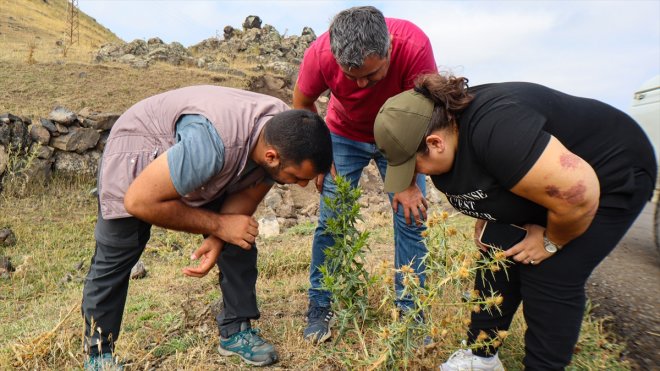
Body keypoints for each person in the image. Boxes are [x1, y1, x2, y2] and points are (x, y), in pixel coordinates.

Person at [373, 73, 656, 370]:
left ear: (435, 142)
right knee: (496, 251)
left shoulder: (498, 130)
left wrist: (551, 240)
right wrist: (489, 215)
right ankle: (481, 356)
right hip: (548, 180)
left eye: (413, 165)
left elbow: (578, 195)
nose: (415, 175)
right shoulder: (449, 133)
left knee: (549, 271)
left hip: (610, 172)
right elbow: (492, 181)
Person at [81, 85, 333, 370]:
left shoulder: (284, 130)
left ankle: (236, 332)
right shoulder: (212, 146)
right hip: (139, 147)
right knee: (117, 255)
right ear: (272, 156)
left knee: (240, 236)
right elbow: (139, 201)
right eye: (298, 177)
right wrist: (218, 224)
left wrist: (219, 236)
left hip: (208, 161)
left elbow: (247, 196)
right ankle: (98, 354)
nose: (302, 185)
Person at [292, 5, 438, 343]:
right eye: (352, 75)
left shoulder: (414, 46)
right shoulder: (320, 54)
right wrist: (320, 151)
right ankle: (320, 304)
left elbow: (427, 114)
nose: (360, 84)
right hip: (343, 135)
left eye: (371, 75)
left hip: (401, 138)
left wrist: (405, 179)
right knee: (332, 219)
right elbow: (301, 103)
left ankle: (412, 313)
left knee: (411, 219)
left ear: (388, 49)